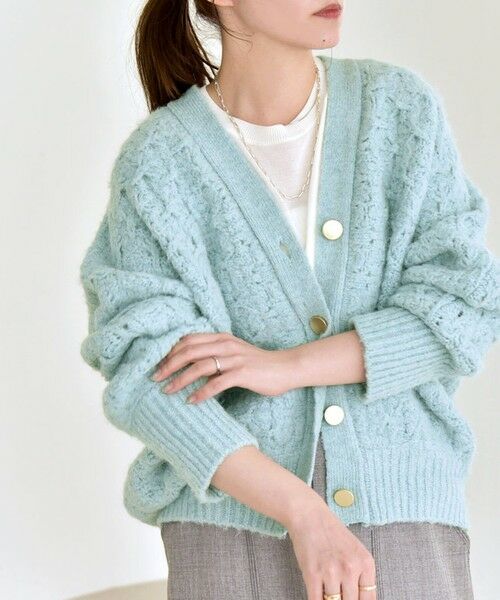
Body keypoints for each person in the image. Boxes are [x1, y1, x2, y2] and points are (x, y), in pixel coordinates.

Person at [78, 0, 500, 598]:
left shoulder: (398, 111)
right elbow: (149, 373)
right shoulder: (159, 163)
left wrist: (286, 367)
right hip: (230, 532)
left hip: (403, 512)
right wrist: (304, 512)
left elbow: (464, 306)